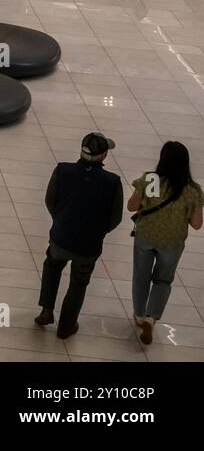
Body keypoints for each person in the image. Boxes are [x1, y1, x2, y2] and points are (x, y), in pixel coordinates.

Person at [35, 133, 123, 339]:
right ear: (103, 156)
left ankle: (46, 311)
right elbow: (115, 218)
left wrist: (61, 220)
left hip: (60, 238)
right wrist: (99, 231)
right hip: (88, 245)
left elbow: (50, 200)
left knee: (52, 266)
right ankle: (66, 326)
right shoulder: (112, 182)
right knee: (79, 283)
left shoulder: (62, 170)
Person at [126, 141, 203, 343]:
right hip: (172, 242)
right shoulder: (192, 190)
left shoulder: (152, 182)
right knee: (163, 280)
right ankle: (152, 318)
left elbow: (132, 207)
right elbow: (196, 224)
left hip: (146, 236)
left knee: (141, 275)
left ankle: (140, 314)